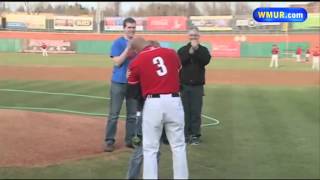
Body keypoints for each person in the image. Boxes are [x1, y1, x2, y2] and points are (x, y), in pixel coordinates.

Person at [127, 37, 188, 179]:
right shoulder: (171, 52)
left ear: (136, 50)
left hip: (153, 103)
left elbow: (131, 92)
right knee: (178, 147)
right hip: (174, 101)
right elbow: (177, 69)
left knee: (150, 149)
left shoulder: (136, 61)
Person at [126, 40, 167, 179]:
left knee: (153, 149)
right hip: (145, 112)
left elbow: (133, 92)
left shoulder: (148, 68)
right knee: (142, 149)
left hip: (153, 112)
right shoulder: (144, 67)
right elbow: (135, 93)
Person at [104, 17, 138, 152]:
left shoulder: (138, 43)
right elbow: (117, 62)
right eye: (129, 27)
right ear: (124, 28)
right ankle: (109, 141)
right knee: (114, 114)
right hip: (118, 82)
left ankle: (130, 140)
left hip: (133, 83)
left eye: (133, 27)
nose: (131, 30)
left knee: (132, 115)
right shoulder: (118, 43)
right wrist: (128, 48)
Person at [177, 26, 211, 145]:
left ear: (199, 36)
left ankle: (195, 135)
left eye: (195, 35)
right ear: (188, 36)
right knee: (185, 111)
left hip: (197, 86)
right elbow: (180, 62)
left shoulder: (203, 50)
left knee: (196, 111)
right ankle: (185, 134)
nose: (193, 38)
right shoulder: (182, 50)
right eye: (191, 35)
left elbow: (205, 61)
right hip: (184, 85)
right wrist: (190, 52)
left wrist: (196, 51)